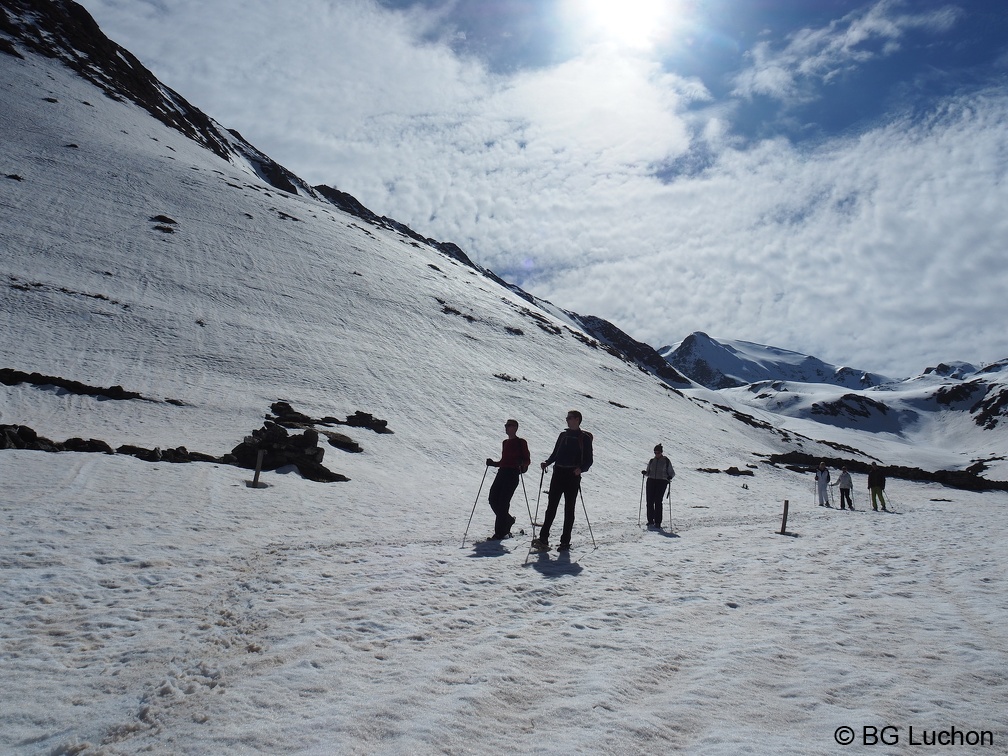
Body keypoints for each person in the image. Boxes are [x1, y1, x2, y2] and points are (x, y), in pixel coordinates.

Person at [532, 410, 593, 551]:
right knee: (551, 507)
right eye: (567, 418)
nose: (567, 420)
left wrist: (581, 469)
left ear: (577, 419)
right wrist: (547, 462)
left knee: (568, 509)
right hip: (559, 472)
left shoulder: (584, 438)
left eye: (570, 418)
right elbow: (555, 454)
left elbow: (589, 460)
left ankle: (565, 541)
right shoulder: (563, 435)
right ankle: (543, 538)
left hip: (572, 474)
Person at [486, 419, 530, 539]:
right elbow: (503, 462)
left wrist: (521, 462)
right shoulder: (505, 443)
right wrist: (493, 464)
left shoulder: (521, 442)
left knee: (503, 503)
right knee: (493, 499)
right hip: (502, 473)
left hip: (513, 474)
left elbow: (527, 460)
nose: (506, 427)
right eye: (506, 425)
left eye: (509, 425)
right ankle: (508, 520)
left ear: (515, 428)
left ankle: (500, 532)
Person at [642, 444, 675, 527]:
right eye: (655, 452)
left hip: (662, 482)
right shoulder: (651, 461)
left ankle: (658, 522)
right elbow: (648, 472)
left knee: (658, 501)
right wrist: (645, 473)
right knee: (649, 501)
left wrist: (669, 476)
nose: (656, 454)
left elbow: (672, 472)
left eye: (658, 452)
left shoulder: (666, 461)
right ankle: (650, 520)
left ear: (661, 452)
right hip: (651, 481)